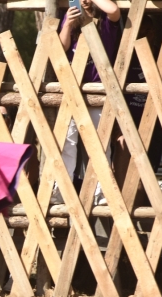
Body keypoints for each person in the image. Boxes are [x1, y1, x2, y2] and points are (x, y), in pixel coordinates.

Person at [51, 0, 121, 206]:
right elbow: (60, 48)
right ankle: (61, 191)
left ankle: (102, 192)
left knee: (99, 146)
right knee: (67, 145)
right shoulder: (72, 23)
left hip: (97, 94)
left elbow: (114, 10)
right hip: (72, 92)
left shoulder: (105, 27)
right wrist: (67, 25)